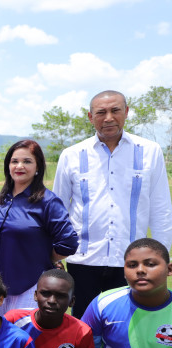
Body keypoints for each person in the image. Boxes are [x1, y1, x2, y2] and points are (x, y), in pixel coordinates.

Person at [52, 90, 172, 318]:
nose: (108, 118)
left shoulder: (149, 151)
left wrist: (161, 258)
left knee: (129, 325)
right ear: (90, 117)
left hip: (133, 262)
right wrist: (54, 256)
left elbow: (161, 209)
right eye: (101, 112)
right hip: (83, 260)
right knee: (83, 325)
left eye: (115, 110)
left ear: (126, 112)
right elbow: (58, 212)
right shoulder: (71, 155)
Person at [0, 140, 78, 314]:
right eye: (14, 161)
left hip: (30, 287)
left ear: (38, 167)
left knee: (24, 331)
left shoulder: (48, 201)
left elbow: (68, 242)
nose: (19, 166)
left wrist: (45, 256)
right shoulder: (1, 199)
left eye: (27, 161)